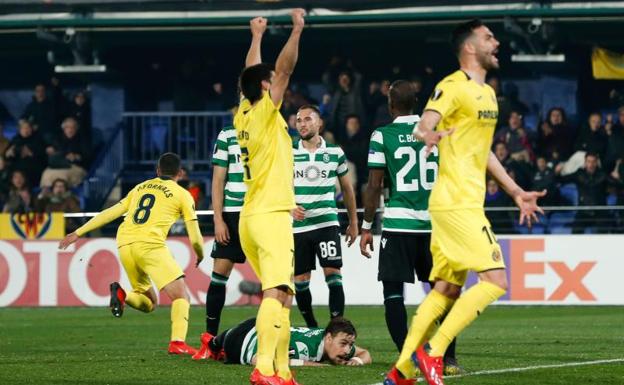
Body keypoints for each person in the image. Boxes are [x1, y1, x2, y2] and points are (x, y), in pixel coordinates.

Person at [383, 19, 545, 385]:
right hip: (457, 203)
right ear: (470, 47)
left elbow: (483, 151)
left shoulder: (487, 95)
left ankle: (402, 370)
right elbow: (422, 125)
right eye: (489, 37)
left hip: (458, 202)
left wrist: (515, 191)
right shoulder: (452, 86)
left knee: (446, 288)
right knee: (496, 280)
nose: (497, 42)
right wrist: (430, 134)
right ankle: (434, 352)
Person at [58, 152, 204, 356]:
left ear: (157, 171)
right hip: (150, 244)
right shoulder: (182, 194)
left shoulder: (140, 188)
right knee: (181, 296)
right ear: (180, 173)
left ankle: (123, 294)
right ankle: (177, 343)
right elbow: (195, 237)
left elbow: (111, 212)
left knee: (149, 303)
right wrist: (200, 253)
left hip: (125, 243)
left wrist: (78, 232)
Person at [360, 80, 459, 376]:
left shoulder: (382, 135)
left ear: (390, 105)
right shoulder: (435, 134)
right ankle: (448, 359)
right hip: (434, 226)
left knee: (393, 293)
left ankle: (409, 357)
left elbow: (375, 185)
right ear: (417, 102)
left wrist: (366, 226)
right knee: (442, 291)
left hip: (398, 225)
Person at [233, 10, 305, 385]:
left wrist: (256, 35)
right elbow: (284, 70)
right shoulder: (264, 111)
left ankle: (283, 370)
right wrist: (296, 29)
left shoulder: (242, 112)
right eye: (268, 82)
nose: (274, 84)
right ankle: (263, 369)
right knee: (276, 292)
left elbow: (252, 71)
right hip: (272, 215)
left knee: (283, 294)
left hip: (251, 216)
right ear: (264, 87)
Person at [292, 104, 358, 328]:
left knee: (333, 273)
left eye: (308, 119)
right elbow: (277, 185)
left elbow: (348, 189)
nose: (302, 124)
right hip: (298, 226)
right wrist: (289, 205)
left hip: (326, 223)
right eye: (299, 120)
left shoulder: (335, 152)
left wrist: (354, 222)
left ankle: (336, 326)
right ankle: (312, 326)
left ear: (319, 123)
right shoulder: (287, 151)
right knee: (301, 280)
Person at [193, 124, 247, 360]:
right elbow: (218, 180)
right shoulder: (226, 134)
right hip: (233, 214)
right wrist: (218, 219)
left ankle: (274, 338)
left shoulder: (273, 128)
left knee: (273, 280)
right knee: (219, 276)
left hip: (263, 212)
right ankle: (210, 341)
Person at [200, 317, 371, 367]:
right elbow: (259, 361)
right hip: (241, 342)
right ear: (328, 338)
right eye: (344, 344)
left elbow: (365, 354)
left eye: (350, 344)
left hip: (259, 325)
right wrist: (312, 364)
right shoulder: (306, 348)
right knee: (226, 343)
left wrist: (356, 360)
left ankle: (213, 343)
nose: (347, 350)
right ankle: (212, 344)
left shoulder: (332, 338)